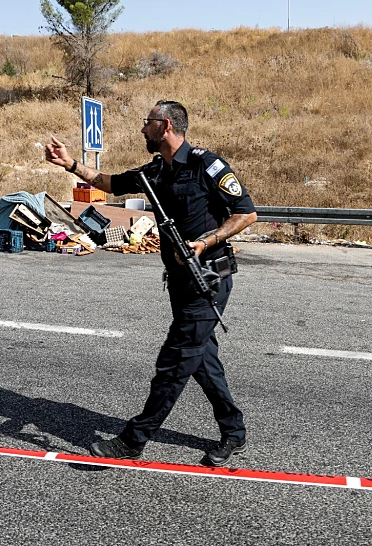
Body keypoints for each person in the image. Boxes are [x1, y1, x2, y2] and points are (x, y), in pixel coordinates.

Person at [44, 100, 257, 466]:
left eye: (148, 123)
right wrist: (71, 165)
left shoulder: (207, 165)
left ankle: (134, 439)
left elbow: (246, 213)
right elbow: (111, 183)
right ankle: (234, 431)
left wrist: (205, 241)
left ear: (167, 126)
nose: (143, 129)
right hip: (178, 280)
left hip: (209, 276)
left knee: (174, 360)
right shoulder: (155, 171)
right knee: (201, 359)